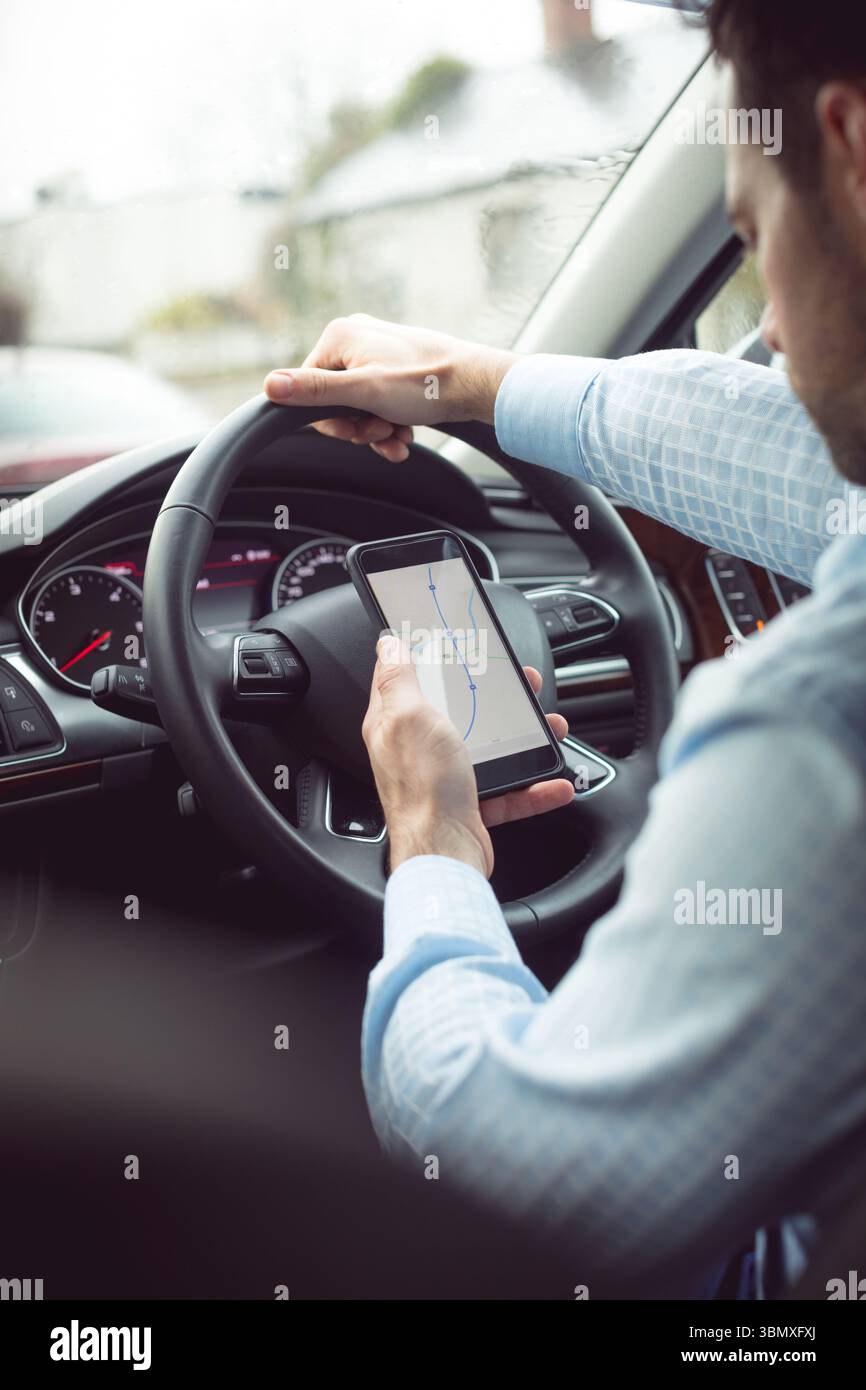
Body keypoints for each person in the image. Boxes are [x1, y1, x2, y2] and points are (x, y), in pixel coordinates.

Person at [263, 0, 866, 1298]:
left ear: (848, 151)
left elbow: (526, 1202)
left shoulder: (820, 729)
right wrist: (466, 381)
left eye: (751, 244)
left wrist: (431, 852)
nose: (769, 342)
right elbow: (805, 464)